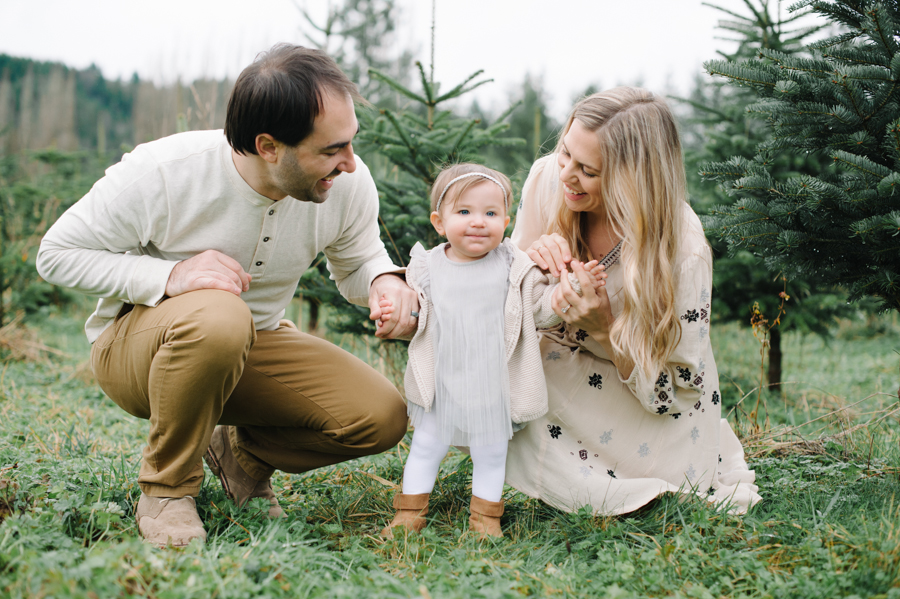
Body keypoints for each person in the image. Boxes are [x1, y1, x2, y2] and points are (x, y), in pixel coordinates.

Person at [35, 44, 417, 548]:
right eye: (330, 150)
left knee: (380, 416)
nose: (349, 163)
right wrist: (171, 276)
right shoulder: (166, 171)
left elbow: (357, 260)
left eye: (351, 143)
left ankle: (240, 455)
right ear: (268, 146)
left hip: (255, 343)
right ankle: (167, 490)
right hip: (137, 350)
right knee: (219, 315)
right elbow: (56, 253)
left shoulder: (347, 181)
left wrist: (384, 280)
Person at [504, 87, 761, 515]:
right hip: (562, 365)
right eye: (565, 153)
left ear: (632, 179)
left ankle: (596, 478)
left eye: (587, 170)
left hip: (643, 405)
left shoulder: (682, 251)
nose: (565, 174)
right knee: (497, 371)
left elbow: (672, 395)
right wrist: (529, 262)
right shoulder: (548, 179)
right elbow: (503, 296)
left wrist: (604, 327)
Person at [376, 164, 605, 539]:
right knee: (426, 447)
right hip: (442, 382)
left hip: (492, 385)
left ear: (506, 220)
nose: (478, 222)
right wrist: (396, 313)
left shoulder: (515, 267)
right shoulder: (427, 267)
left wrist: (575, 290)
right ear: (439, 221)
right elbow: (416, 313)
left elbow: (542, 310)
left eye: (491, 213)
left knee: (491, 453)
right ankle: (409, 513)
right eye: (464, 212)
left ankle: (485, 520)